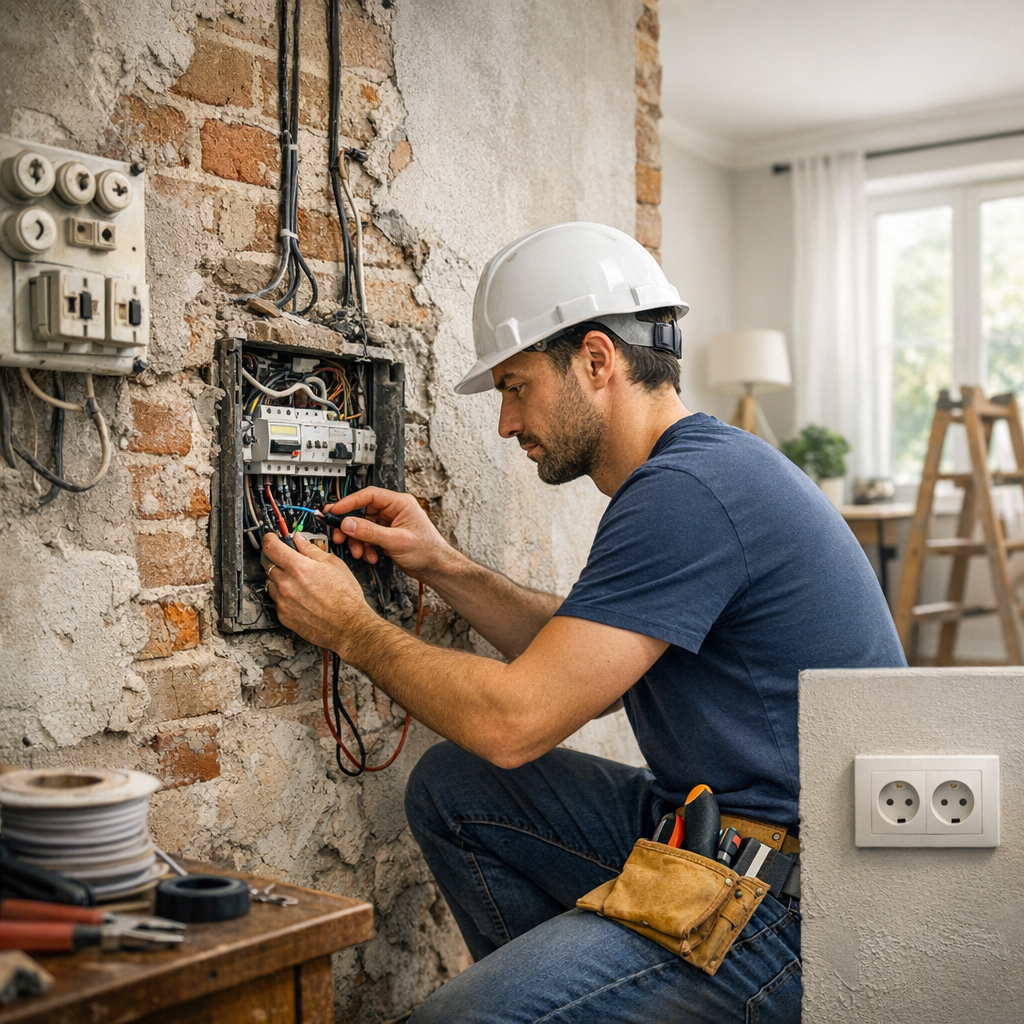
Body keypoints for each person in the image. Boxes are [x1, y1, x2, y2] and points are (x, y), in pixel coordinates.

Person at [262, 222, 907, 1022]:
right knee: (458, 789)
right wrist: (442, 564)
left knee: (450, 1019)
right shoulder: (701, 470)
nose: (505, 423)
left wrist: (350, 628)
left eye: (515, 385)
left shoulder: (686, 494)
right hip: (713, 839)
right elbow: (585, 674)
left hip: (790, 909)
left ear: (598, 360)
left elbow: (516, 720)